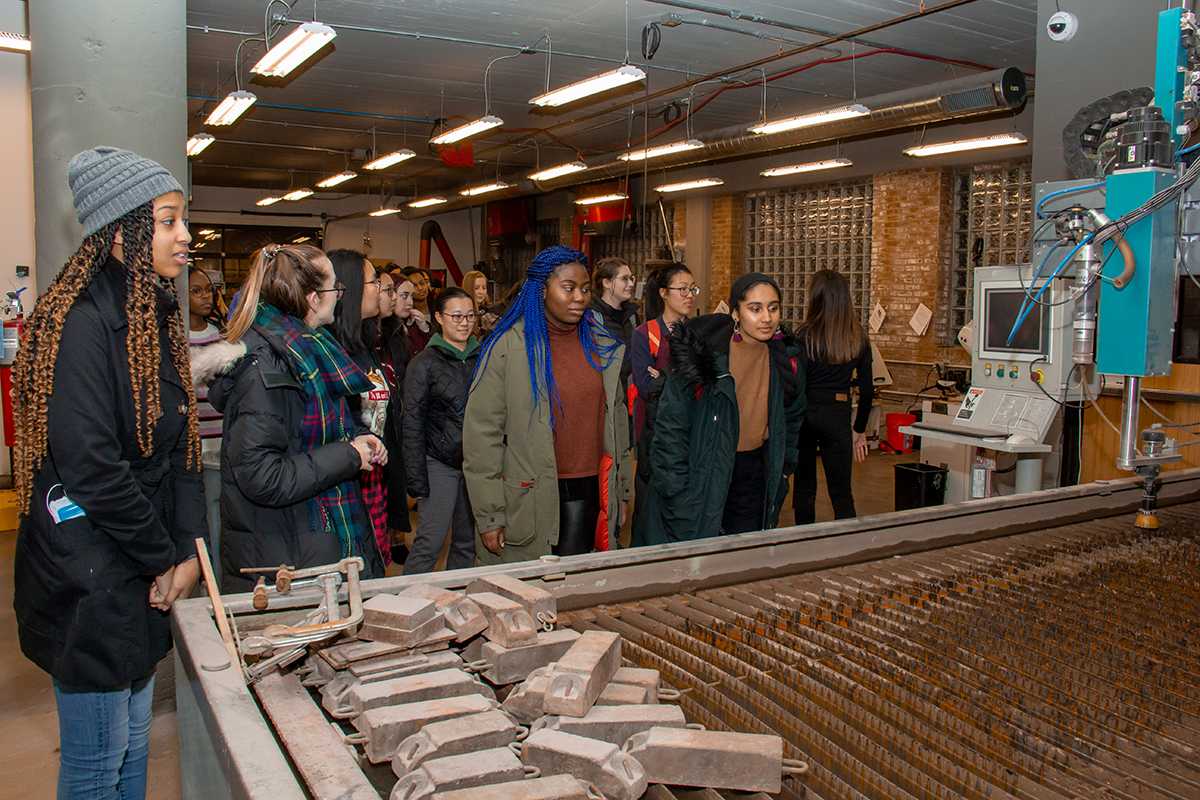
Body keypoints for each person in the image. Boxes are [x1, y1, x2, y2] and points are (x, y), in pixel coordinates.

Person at [12, 147, 205, 799]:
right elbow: (92, 469)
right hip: (90, 575)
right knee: (98, 761)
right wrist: (162, 559)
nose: (186, 236)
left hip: (139, 567)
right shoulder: (80, 322)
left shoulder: (154, 316)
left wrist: (187, 554)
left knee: (133, 746)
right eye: (169, 221)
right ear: (123, 231)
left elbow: (180, 451)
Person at [208, 244, 388, 591]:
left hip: (308, 538)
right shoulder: (269, 365)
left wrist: (356, 436)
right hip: (287, 553)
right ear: (313, 299)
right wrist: (348, 455)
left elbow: (312, 433)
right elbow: (262, 475)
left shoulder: (310, 349)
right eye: (335, 288)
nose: (340, 296)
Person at [464, 245, 632, 564]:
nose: (579, 297)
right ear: (542, 290)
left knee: (580, 582)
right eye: (568, 288)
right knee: (535, 586)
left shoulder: (601, 345)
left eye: (585, 289)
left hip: (592, 490)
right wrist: (490, 514)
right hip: (532, 496)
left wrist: (622, 492)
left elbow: (618, 420)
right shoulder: (509, 347)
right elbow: (482, 437)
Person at [644, 273, 804, 543]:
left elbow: (793, 416)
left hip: (754, 472)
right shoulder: (702, 356)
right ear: (736, 313)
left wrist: (784, 469)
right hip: (703, 469)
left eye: (773, 308)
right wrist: (676, 492)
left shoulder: (785, 359)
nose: (766, 317)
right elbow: (671, 428)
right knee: (699, 553)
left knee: (743, 554)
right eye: (755, 309)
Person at [402, 288, 480, 573]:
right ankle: (407, 596)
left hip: (475, 463)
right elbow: (412, 423)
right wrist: (417, 481)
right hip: (438, 463)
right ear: (438, 317)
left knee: (467, 542)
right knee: (430, 542)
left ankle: (458, 594)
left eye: (470, 316)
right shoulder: (423, 363)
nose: (464, 322)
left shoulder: (482, 357)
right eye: (457, 316)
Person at [327, 249, 393, 567]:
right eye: (373, 281)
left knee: (376, 562)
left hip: (373, 474)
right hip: (346, 480)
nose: (379, 288)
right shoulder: (331, 350)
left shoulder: (364, 344)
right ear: (350, 288)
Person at [793, 269, 873, 524]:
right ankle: (846, 540)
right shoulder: (858, 337)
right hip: (838, 414)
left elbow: (794, 385)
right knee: (841, 491)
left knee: (804, 488)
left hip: (806, 415)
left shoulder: (803, 336)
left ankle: (803, 539)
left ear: (815, 298)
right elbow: (867, 390)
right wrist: (859, 429)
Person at [628, 263, 696, 546]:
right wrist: (673, 377)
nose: (689, 295)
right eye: (683, 289)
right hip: (653, 432)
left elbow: (699, 386)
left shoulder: (695, 334)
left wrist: (662, 375)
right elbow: (646, 387)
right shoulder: (645, 334)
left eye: (692, 289)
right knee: (648, 502)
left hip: (687, 431)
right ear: (664, 293)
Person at [379, 271, 415, 554]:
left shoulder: (396, 334)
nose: (402, 300)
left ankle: (396, 538)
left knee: (396, 484)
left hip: (398, 417)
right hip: (379, 424)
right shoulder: (369, 336)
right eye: (394, 293)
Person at [187, 268, 231, 451]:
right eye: (196, 291)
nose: (206, 296)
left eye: (208, 290)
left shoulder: (221, 335)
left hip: (221, 431)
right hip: (190, 436)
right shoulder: (174, 338)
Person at [590, 257, 638, 415]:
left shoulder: (632, 317)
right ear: (607, 282)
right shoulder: (591, 318)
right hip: (603, 402)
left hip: (627, 401)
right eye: (624, 279)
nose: (631, 284)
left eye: (631, 278)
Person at [398, 266, 433, 353]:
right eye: (415, 285)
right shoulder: (405, 317)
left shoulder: (439, 309)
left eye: (422, 283)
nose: (420, 288)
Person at [462, 267, 499, 337]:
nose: (481, 292)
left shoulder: (488, 312)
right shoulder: (461, 314)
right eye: (476, 288)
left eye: (484, 288)